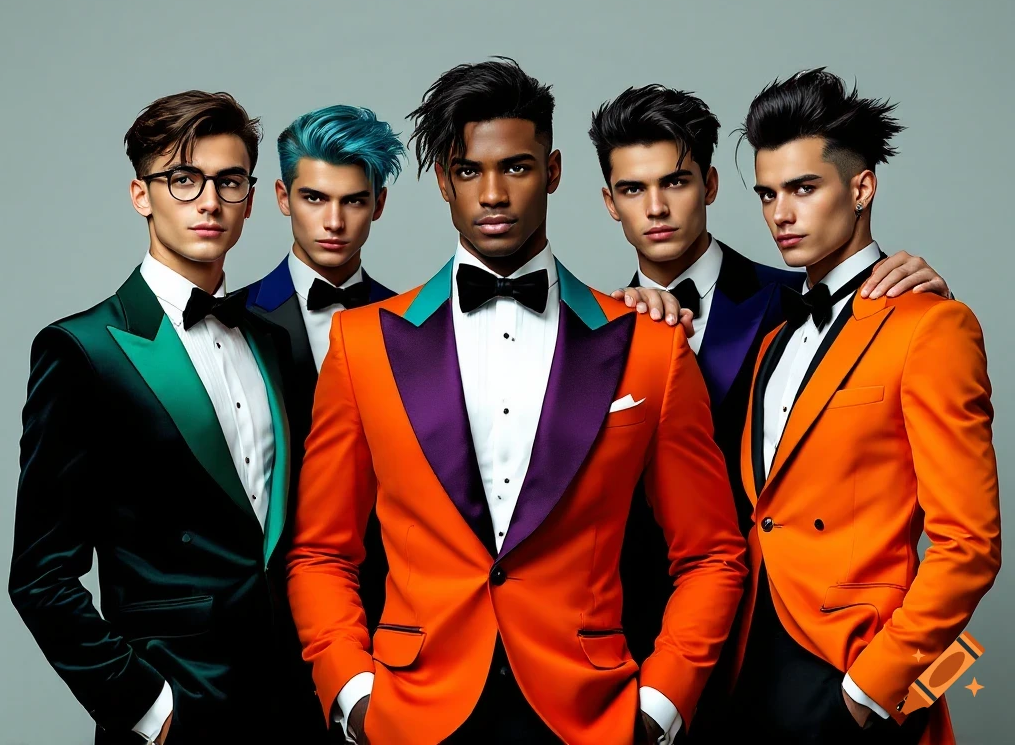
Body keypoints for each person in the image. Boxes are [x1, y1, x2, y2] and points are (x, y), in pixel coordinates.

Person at [286, 58, 747, 745]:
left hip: (591, 715)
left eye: (518, 168)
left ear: (554, 171)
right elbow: (321, 551)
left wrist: (662, 704)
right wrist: (352, 691)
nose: (493, 193)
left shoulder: (650, 347)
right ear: (443, 179)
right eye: (469, 171)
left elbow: (712, 554)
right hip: (412, 712)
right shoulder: (363, 344)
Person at [587, 86, 950, 708]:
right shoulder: (587, 332)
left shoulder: (799, 304)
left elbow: (962, 540)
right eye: (631, 189)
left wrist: (926, 296)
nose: (655, 208)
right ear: (609, 203)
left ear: (710, 184)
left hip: (782, 649)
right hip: (629, 650)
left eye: (675, 182)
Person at [10, 91, 327, 744]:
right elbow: (40, 574)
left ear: (249, 196)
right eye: (183, 179)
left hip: (294, 704)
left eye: (228, 181)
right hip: (177, 707)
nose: (209, 201)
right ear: (141, 194)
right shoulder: (85, 351)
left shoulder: (273, 343)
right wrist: (147, 709)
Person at [732, 69, 1001, 745]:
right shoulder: (774, 342)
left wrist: (871, 692)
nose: (780, 215)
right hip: (748, 670)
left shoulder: (931, 326)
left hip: (850, 674)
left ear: (862, 186)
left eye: (802, 188)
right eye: (767, 194)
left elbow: (970, 545)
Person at [246, 106, 405, 651]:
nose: (333, 222)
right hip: (260, 616)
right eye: (314, 198)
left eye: (353, 200)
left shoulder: (416, 328)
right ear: (282, 198)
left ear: (378, 205)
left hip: (394, 609)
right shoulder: (231, 321)